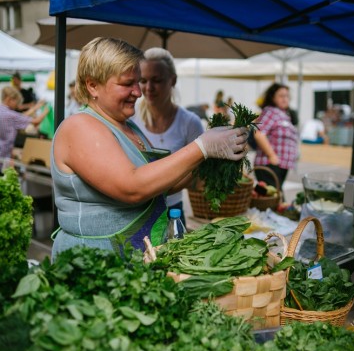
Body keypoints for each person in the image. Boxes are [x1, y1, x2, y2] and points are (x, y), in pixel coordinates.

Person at [51, 37, 248, 259]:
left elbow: (158, 184)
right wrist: (201, 147)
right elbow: (132, 187)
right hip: (94, 263)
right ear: (93, 85)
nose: (138, 92)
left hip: (134, 260)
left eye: (138, 82)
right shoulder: (80, 127)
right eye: (127, 84)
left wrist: (211, 160)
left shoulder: (128, 127)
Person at [132, 47, 204, 223]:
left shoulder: (190, 122)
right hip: (136, 211)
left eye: (156, 80)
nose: (148, 88)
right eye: (143, 80)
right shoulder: (131, 119)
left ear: (173, 80)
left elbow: (199, 173)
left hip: (173, 211)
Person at [253, 82, 298, 189]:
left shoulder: (283, 114)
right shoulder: (271, 112)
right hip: (270, 164)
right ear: (272, 97)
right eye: (281, 96)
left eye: (287, 96)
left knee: (274, 198)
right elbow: (259, 134)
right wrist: (272, 155)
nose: (285, 99)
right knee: (274, 199)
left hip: (280, 165)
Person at [0, 86, 48, 170]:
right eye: (17, 102)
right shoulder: (11, 115)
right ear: (9, 99)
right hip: (3, 156)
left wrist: (35, 108)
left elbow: (20, 117)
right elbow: (36, 121)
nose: (17, 105)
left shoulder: (4, 112)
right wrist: (47, 110)